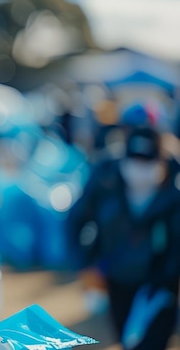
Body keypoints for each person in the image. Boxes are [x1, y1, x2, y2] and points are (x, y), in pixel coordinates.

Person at [67, 124, 180, 350]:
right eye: (134, 161)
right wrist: (85, 265)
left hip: (160, 283)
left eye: (147, 163)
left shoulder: (174, 189)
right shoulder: (105, 179)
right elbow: (75, 220)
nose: (139, 169)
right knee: (127, 340)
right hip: (116, 277)